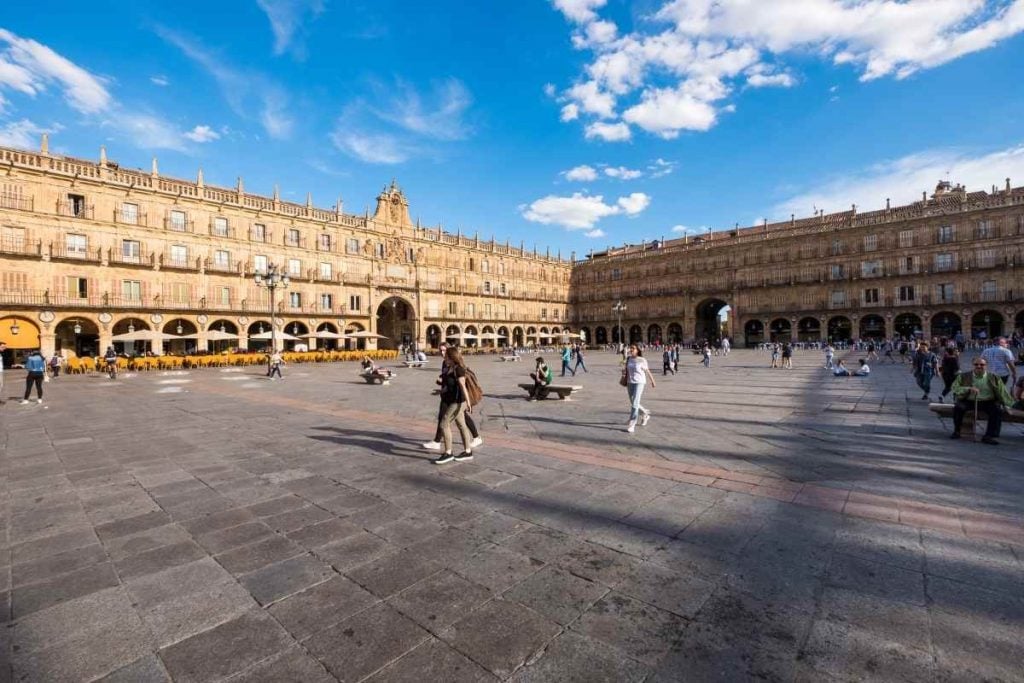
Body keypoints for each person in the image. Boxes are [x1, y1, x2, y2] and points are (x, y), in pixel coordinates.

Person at [423, 342, 482, 451]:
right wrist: (441, 383)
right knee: (446, 417)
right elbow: (448, 379)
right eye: (440, 350)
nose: (442, 353)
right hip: (446, 394)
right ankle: (439, 442)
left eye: (444, 350)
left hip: (455, 398)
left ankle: (446, 446)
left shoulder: (456, 365)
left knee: (450, 420)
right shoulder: (444, 363)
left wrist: (468, 402)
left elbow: (460, 383)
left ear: (450, 352)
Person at [950, 357, 1013, 445]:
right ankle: (957, 431)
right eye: (976, 364)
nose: (979, 366)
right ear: (973, 365)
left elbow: (1002, 391)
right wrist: (968, 389)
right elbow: (954, 388)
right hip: (969, 400)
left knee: (997, 411)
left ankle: (989, 436)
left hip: (988, 401)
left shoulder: (994, 377)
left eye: (982, 365)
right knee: (958, 408)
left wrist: (1010, 404)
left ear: (986, 366)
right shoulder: (963, 376)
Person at [432, 346, 475, 464]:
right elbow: (450, 386)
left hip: (457, 402)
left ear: (452, 357)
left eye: (446, 356)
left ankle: (448, 453)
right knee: (461, 425)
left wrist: (469, 403)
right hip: (453, 400)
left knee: (444, 424)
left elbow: (462, 386)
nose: (444, 357)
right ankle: (468, 451)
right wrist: (440, 391)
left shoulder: (459, 369)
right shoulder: (450, 368)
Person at [622, 344, 656, 433]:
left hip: (639, 382)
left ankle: (632, 423)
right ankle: (645, 414)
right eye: (630, 348)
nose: (631, 349)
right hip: (630, 382)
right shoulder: (629, 359)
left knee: (635, 403)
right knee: (633, 402)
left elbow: (647, 371)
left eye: (633, 348)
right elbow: (627, 370)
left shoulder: (642, 360)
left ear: (637, 350)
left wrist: (653, 381)